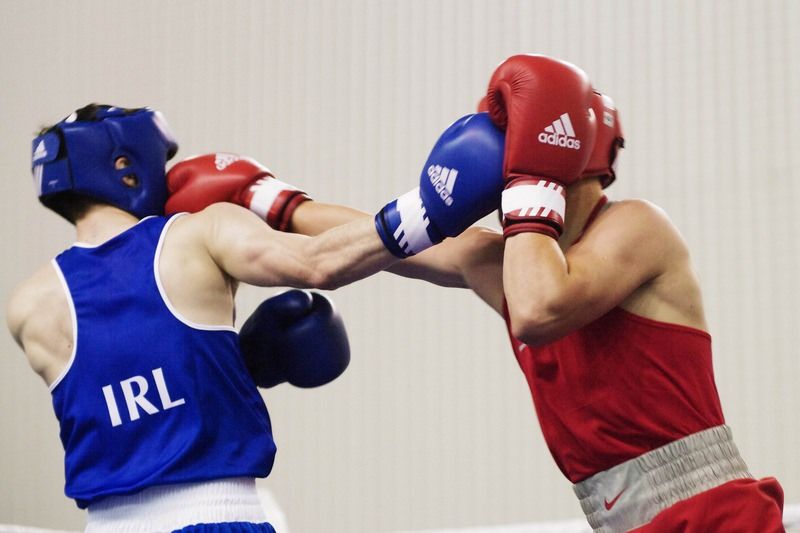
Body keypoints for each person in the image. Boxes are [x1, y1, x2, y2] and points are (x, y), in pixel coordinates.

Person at [172, 55, 785, 531]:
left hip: (712, 514)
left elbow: (540, 310)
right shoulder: (512, 258)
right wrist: (266, 198)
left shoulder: (636, 227)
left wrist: (531, 179)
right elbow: (383, 238)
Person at [6, 103, 505, 532]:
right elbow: (319, 263)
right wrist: (431, 207)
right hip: (217, 516)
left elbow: (127, 392)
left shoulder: (28, 307)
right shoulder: (196, 233)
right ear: (126, 167)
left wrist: (234, 366)